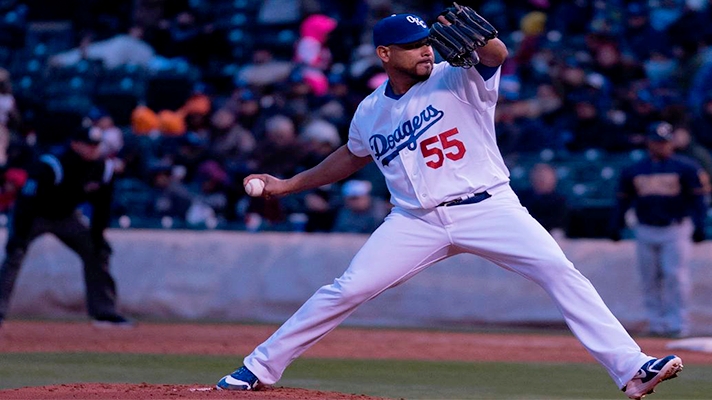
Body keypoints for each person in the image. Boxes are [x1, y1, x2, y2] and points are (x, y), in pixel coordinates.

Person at [216, 10, 683, 399]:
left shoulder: (457, 77)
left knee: (560, 272)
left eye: (426, 41)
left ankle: (633, 368)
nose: (425, 50)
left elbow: (496, 57)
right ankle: (257, 368)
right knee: (346, 290)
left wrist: (487, 43)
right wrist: (287, 185)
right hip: (414, 221)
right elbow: (352, 155)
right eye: (412, 45)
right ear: (384, 54)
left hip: (489, 207)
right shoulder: (370, 110)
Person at [0, 125, 132, 328]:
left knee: (98, 251)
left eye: (96, 145)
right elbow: (27, 202)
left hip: (67, 216)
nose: (93, 149)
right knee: (15, 254)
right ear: (75, 144)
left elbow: (102, 208)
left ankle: (105, 312)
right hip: (35, 215)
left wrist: (97, 237)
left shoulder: (103, 168)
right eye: (88, 144)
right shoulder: (53, 164)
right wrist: (19, 234)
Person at [609, 122, 710, 338]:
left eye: (664, 142)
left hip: (675, 227)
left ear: (671, 143)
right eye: (656, 142)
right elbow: (623, 200)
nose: (660, 146)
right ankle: (656, 322)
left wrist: (700, 225)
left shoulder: (686, 167)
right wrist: (616, 224)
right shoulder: (635, 169)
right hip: (645, 227)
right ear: (648, 143)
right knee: (649, 278)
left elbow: (698, 199)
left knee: (675, 276)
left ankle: (678, 322)